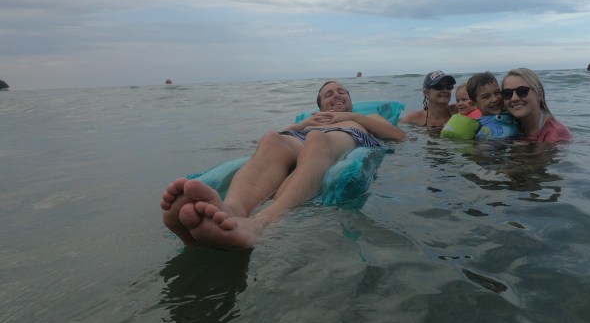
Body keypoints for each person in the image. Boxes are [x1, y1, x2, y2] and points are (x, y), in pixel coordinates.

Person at [160, 81, 406, 250]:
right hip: (301, 136)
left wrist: (351, 117)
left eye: (342, 91)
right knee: (270, 139)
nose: (336, 95)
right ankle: (233, 209)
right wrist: (302, 125)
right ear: (321, 105)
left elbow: (398, 136)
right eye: (328, 94)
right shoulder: (311, 121)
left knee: (317, 139)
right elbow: (274, 138)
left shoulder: (366, 118)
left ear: (350, 99)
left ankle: (264, 221)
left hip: (345, 136)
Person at [501, 68, 572, 143]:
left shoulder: (556, 134)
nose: (514, 98)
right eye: (507, 93)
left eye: (522, 91)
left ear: (539, 94)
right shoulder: (507, 125)